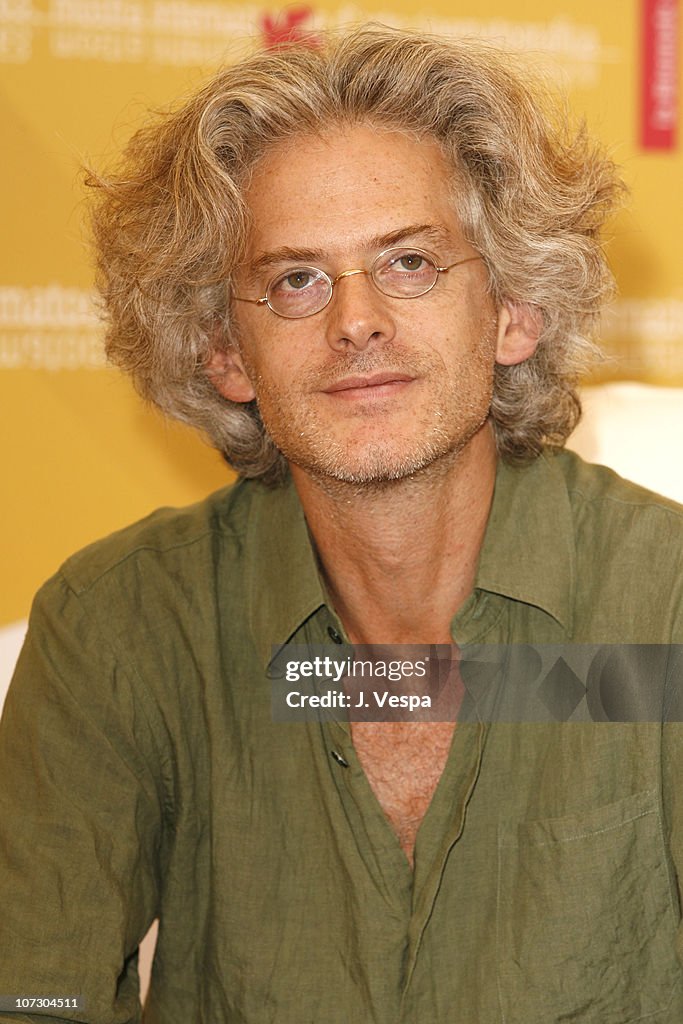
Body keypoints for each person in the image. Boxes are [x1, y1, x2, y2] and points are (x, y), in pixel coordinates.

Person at [1, 25, 683, 1024]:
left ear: (513, 311)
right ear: (224, 352)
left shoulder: (657, 607)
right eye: (296, 279)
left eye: (407, 261)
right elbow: (37, 997)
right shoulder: (121, 630)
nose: (353, 320)